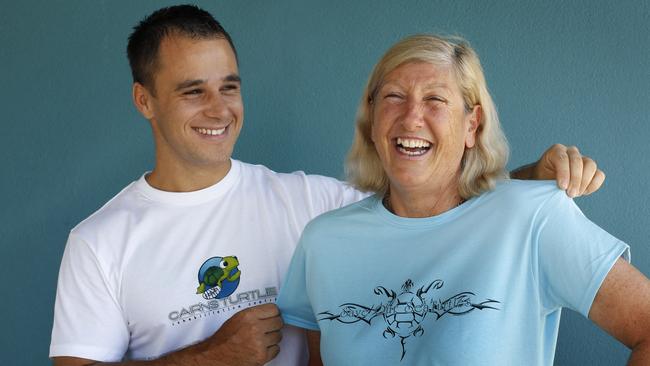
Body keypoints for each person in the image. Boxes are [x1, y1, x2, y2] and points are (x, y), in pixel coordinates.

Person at [50, 6, 609, 366]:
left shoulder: (312, 207)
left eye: (229, 86)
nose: (219, 109)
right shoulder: (99, 241)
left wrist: (526, 183)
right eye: (193, 91)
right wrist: (214, 356)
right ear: (144, 100)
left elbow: (436, 207)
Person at [277, 34, 650, 365]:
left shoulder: (533, 216)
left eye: (435, 99)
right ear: (371, 117)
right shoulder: (323, 241)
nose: (411, 118)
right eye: (393, 96)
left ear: (472, 125)